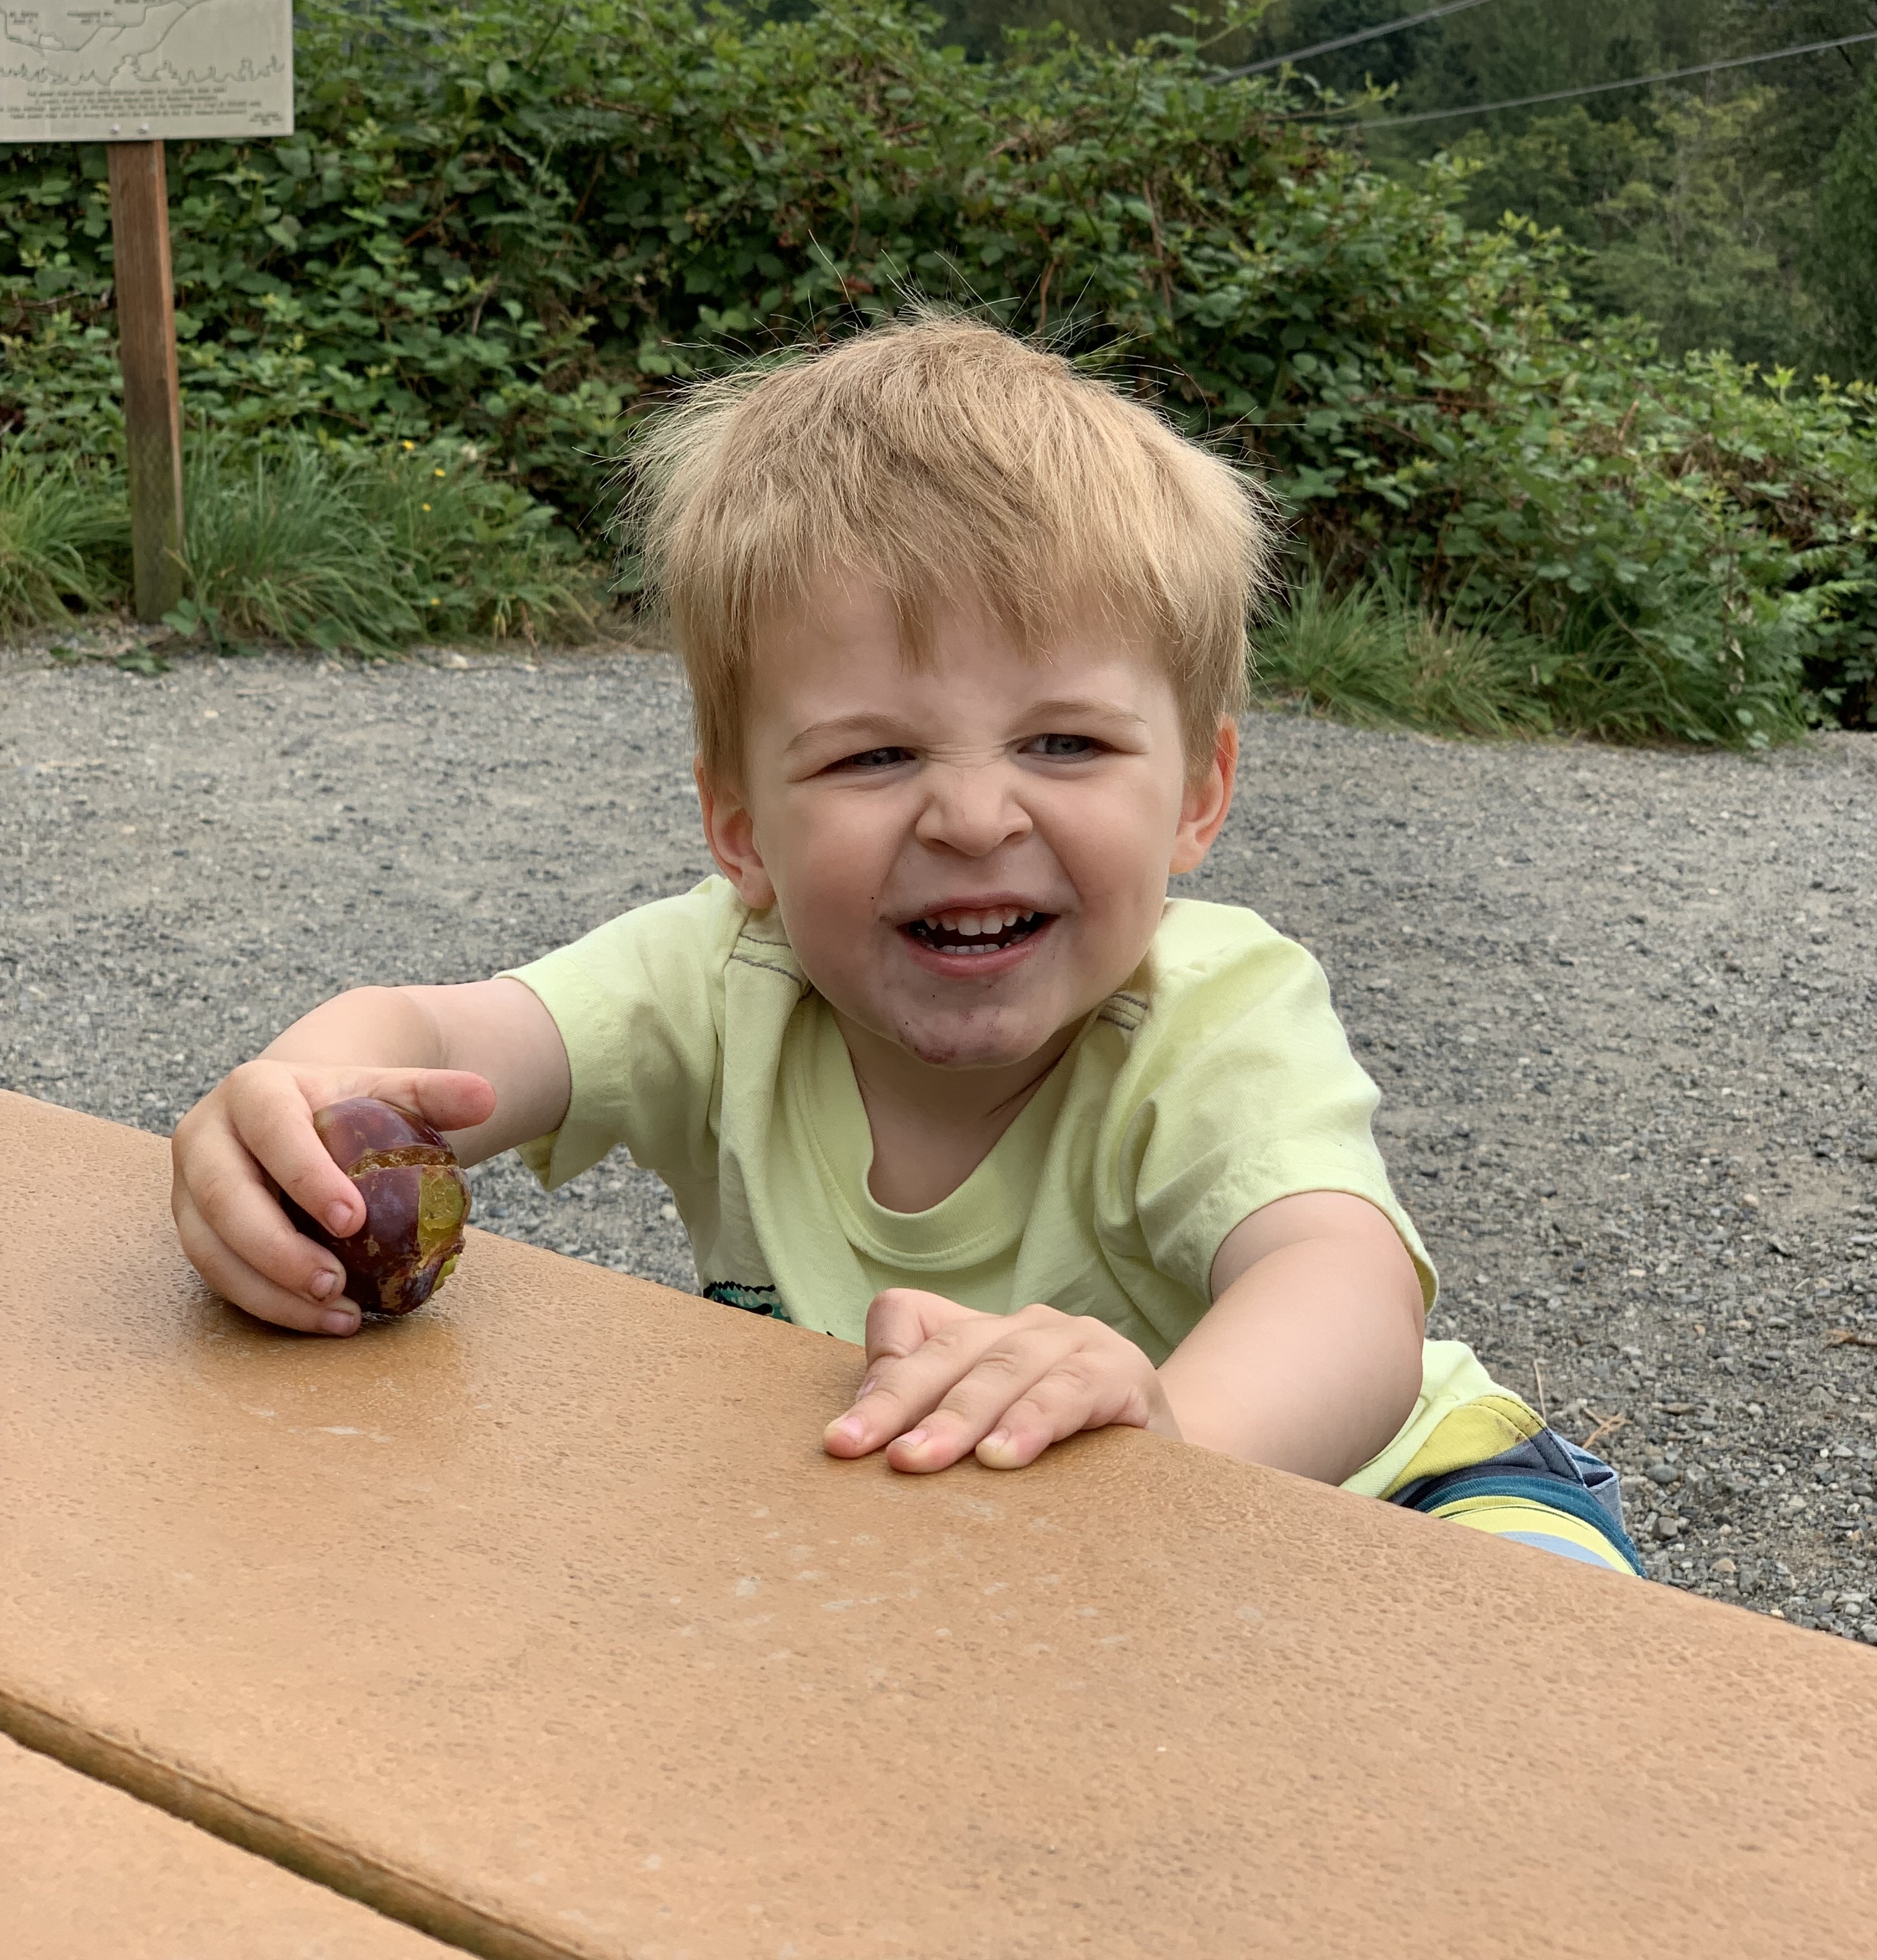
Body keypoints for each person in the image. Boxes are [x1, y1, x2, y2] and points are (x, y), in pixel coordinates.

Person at [170, 316, 1638, 1572]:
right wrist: (298, 1113)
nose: (974, 816)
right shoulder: (722, 976)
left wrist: (1171, 1427)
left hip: (1409, 1493)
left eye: (1065, 742)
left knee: (1547, 1694)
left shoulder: (1211, 1012)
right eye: (873, 756)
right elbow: (436, 1042)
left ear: (1199, 793)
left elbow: (1345, 1293)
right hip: (1027, 1558)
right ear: (742, 827)